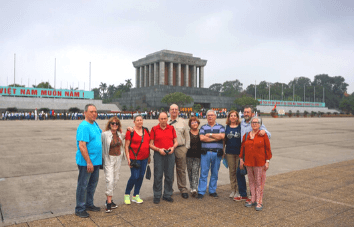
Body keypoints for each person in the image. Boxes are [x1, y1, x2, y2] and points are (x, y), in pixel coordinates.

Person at [234, 106, 271, 202]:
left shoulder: (257, 123)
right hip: (244, 152)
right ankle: (243, 194)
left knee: (256, 176)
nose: (246, 114)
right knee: (240, 172)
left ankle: (254, 196)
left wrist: (263, 131)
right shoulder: (241, 123)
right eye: (245, 112)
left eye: (248, 112)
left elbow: (268, 136)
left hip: (256, 154)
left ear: (252, 114)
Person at [75, 104, 102, 218]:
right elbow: (82, 146)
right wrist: (88, 162)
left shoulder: (95, 124)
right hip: (86, 162)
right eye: (91, 111)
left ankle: (89, 204)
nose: (94, 114)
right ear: (85, 113)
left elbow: (102, 133)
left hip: (96, 161)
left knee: (92, 184)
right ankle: (80, 208)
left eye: (95, 111)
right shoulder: (84, 126)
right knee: (83, 185)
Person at [240, 116, 272, 211]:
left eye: (256, 122)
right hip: (249, 163)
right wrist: (241, 159)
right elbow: (242, 148)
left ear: (260, 125)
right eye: (253, 122)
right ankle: (253, 199)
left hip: (260, 163)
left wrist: (267, 161)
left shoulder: (263, 135)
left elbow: (268, 149)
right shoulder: (246, 135)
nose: (254, 124)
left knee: (259, 182)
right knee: (251, 182)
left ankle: (259, 201)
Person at [149, 112, 178, 204]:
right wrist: (158, 150)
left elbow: (176, 142)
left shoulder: (171, 128)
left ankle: (167, 194)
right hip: (159, 154)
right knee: (158, 175)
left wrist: (173, 147)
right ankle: (157, 195)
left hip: (170, 154)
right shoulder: (154, 129)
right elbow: (150, 144)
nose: (163, 120)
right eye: (161, 119)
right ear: (158, 119)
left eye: (165, 118)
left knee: (169, 175)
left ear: (167, 119)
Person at [197, 110, 225, 199]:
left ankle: (212, 191)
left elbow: (222, 136)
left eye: (212, 115)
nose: (210, 117)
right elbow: (202, 138)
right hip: (206, 153)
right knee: (203, 172)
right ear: (206, 117)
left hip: (217, 153)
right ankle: (201, 191)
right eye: (208, 115)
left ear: (215, 116)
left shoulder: (221, 127)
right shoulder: (203, 127)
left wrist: (209, 135)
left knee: (214, 173)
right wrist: (215, 138)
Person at [124, 115, 151, 205]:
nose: (139, 122)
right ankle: (127, 194)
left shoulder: (146, 130)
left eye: (141, 120)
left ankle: (136, 195)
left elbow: (148, 144)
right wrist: (128, 159)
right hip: (134, 158)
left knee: (141, 176)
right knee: (134, 176)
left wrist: (149, 157)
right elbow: (126, 146)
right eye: (137, 120)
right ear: (134, 122)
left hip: (144, 158)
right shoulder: (130, 132)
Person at [101, 116, 124, 213]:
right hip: (108, 159)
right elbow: (99, 145)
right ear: (109, 125)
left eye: (116, 123)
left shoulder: (120, 134)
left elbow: (128, 136)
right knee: (109, 180)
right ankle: (109, 203)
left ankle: (109, 199)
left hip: (118, 159)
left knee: (115, 179)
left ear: (118, 125)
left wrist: (131, 129)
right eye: (112, 123)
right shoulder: (105, 134)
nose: (114, 125)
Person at [168, 104, 190, 199]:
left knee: (181, 170)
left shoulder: (183, 122)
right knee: (169, 170)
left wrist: (186, 148)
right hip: (169, 148)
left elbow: (187, 136)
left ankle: (183, 189)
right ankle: (169, 190)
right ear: (169, 111)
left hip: (181, 148)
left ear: (178, 111)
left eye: (176, 109)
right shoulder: (166, 121)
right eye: (172, 109)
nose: (174, 111)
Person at [223, 110, 242, 198]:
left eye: (235, 116)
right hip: (229, 152)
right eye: (231, 116)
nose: (233, 117)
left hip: (239, 153)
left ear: (237, 117)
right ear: (229, 117)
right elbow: (224, 141)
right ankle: (233, 189)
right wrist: (223, 151)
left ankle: (238, 190)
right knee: (232, 171)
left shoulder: (241, 127)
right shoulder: (226, 127)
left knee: (239, 171)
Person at [186, 116, 202, 197]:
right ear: (190, 124)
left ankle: (195, 188)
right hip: (188, 155)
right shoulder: (188, 133)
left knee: (195, 171)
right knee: (190, 172)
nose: (194, 124)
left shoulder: (201, 132)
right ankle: (192, 187)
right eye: (192, 123)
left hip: (198, 156)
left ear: (198, 123)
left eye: (195, 122)